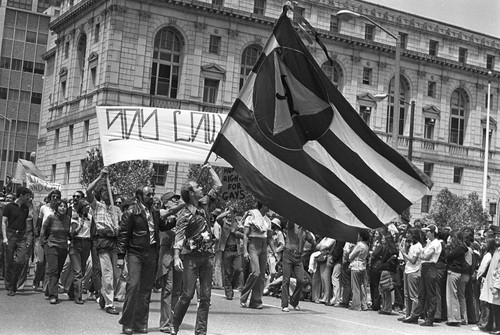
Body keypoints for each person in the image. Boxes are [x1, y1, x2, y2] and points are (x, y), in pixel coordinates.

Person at [171, 163, 222, 335]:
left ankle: (200, 332)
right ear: (191, 193)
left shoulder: (205, 203)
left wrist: (209, 169)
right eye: (198, 187)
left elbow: (218, 186)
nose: (201, 189)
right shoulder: (184, 213)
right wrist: (177, 257)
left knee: (205, 297)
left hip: (207, 256)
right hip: (191, 258)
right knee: (187, 294)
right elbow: (178, 236)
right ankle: (174, 323)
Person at [117, 186, 168, 335]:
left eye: (152, 194)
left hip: (151, 253)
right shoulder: (131, 213)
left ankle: (140, 323)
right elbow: (123, 236)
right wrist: (120, 257)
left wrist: (177, 220)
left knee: (146, 290)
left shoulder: (155, 212)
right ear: (139, 197)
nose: (152, 197)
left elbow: (162, 226)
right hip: (135, 253)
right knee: (133, 286)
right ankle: (127, 322)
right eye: (148, 195)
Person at [87, 167, 122, 315]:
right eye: (105, 193)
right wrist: (101, 177)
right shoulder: (97, 206)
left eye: (111, 193)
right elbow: (88, 192)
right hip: (102, 241)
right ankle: (109, 304)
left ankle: (104, 296)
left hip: (114, 242)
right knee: (107, 274)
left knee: (115, 275)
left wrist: (118, 229)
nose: (108, 195)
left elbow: (120, 228)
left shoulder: (116, 211)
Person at [403, 224, 442, 327]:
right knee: (421, 294)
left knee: (431, 295)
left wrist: (420, 255)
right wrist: (421, 256)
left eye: (428, 231)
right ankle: (415, 316)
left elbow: (427, 256)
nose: (426, 233)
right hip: (424, 268)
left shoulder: (436, 243)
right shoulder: (428, 243)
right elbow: (423, 256)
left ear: (433, 232)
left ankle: (429, 318)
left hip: (430, 268)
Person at [240, 202, 276, 309]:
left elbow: (269, 238)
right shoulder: (251, 217)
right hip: (253, 245)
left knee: (261, 276)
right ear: (262, 206)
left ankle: (256, 301)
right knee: (256, 272)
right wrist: (245, 251)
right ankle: (244, 296)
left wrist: (275, 252)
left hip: (263, 245)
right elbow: (246, 235)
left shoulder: (267, 220)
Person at [157, 192, 184, 334]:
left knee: (177, 290)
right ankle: (165, 322)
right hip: (167, 253)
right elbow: (163, 224)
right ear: (166, 202)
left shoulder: (181, 216)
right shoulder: (162, 214)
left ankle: (173, 320)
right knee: (168, 289)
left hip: (179, 254)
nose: (176, 202)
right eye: (173, 200)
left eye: (177, 200)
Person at [2, 186, 32, 296]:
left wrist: (28, 237)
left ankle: (14, 283)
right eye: (27, 196)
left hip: (22, 235)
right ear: (21, 196)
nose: (29, 198)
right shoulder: (8, 207)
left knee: (21, 260)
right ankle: (9, 286)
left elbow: (27, 223)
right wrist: (5, 237)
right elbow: (4, 222)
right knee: (9, 261)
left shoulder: (26, 208)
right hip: (10, 234)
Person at [40, 199, 71, 304]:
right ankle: (54, 295)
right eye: (61, 206)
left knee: (58, 270)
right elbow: (43, 231)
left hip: (63, 247)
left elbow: (69, 234)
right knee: (53, 270)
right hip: (51, 246)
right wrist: (44, 244)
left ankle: (49, 289)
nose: (63, 208)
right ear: (57, 208)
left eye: (65, 206)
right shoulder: (51, 217)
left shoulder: (68, 219)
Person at [281, 222, 314, 312]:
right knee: (286, 280)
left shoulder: (304, 230)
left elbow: (311, 240)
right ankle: (284, 304)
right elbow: (290, 220)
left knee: (301, 280)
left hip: (298, 257)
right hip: (289, 254)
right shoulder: (292, 225)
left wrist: (306, 231)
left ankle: (294, 301)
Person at [215, 207, 244, 300]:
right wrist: (227, 211)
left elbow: (244, 234)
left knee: (238, 269)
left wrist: (237, 233)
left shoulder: (238, 223)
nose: (229, 215)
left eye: (231, 213)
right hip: (226, 250)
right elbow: (217, 218)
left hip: (236, 250)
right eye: (228, 214)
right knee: (227, 272)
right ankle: (228, 292)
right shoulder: (223, 222)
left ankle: (232, 285)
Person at [69, 199, 94, 304]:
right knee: (78, 271)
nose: (87, 207)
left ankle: (71, 290)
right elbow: (72, 233)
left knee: (82, 270)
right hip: (76, 244)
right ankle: (78, 297)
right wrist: (80, 226)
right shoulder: (75, 217)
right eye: (85, 205)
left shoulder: (91, 218)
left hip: (86, 244)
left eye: (88, 205)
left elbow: (92, 231)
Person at [398, 227, 423, 322]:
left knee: (413, 295)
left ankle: (414, 315)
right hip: (408, 270)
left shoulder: (418, 246)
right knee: (407, 295)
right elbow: (407, 260)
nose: (407, 235)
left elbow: (413, 260)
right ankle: (407, 314)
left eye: (409, 233)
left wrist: (404, 252)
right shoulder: (412, 245)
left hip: (414, 271)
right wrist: (403, 251)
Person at [445, 230, 469, 326]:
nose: (449, 239)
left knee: (451, 296)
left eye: (451, 237)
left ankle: (454, 318)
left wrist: (448, 246)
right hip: (457, 272)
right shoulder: (462, 248)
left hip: (453, 272)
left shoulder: (458, 248)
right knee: (454, 295)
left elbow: (448, 256)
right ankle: (455, 317)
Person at [377, 233, 399, 315]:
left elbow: (383, 260)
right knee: (387, 289)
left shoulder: (388, 250)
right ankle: (386, 307)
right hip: (391, 271)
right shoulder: (394, 250)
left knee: (385, 290)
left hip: (386, 270)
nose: (382, 240)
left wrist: (380, 265)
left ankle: (386, 308)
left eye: (383, 239)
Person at [348, 229, 370, 311]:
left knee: (355, 287)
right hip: (363, 266)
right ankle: (364, 304)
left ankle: (356, 305)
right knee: (362, 286)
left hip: (356, 266)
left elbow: (351, 256)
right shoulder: (366, 246)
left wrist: (350, 250)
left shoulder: (359, 245)